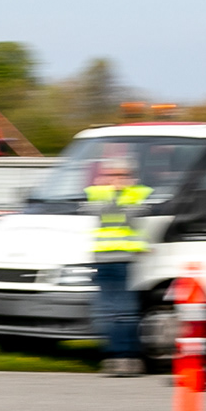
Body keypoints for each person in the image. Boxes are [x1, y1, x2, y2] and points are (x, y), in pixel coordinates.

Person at [85, 149, 153, 377]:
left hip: (123, 260)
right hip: (103, 259)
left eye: (121, 175)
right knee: (108, 311)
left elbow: (133, 216)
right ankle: (115, 356)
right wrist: (113, 193)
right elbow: (94, 211)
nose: (116, 179)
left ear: (131, 176)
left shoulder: (135, 194)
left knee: (125, 311)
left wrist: (118, 194)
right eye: (111, 175)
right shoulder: (98, 194)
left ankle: (128, 357)